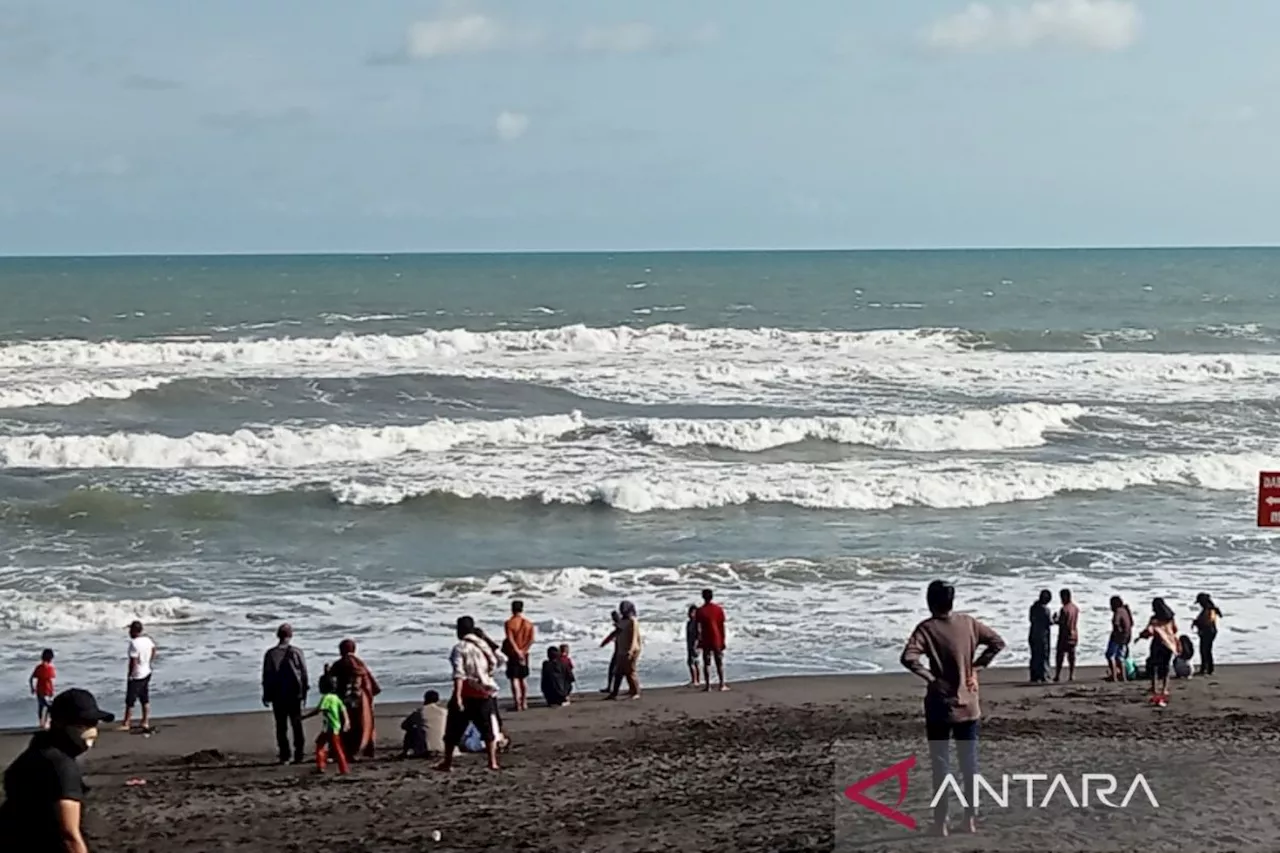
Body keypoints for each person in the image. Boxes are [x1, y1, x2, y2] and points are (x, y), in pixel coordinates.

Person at [901, 580, 1005, 838]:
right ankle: (969, 819)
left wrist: (930, 678)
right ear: (952, 601)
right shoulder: (969, 623)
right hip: (969, 704)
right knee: (969, 764)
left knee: (941, 765)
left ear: (929, 601)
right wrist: (976, 668)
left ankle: (941, 822)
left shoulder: (927, 629)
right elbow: (997, 643)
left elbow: (908, 658)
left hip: (940, 707)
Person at [0, 688, 114, 853]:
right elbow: (68, 835)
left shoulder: (36, 752)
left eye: (94, 723)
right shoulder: (61, 766)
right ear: (60, 723)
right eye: (83, 724)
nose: (91, 730)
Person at [438, 616, 502, 772]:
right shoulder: (484, 646)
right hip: (485, 690)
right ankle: (492, 761)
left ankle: (447, 762)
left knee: (453, 729)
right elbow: (499, 660)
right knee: (487, 729)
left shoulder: (460, 647)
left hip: (467, 690)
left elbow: (459, 674)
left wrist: (458, 697)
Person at [261, 623, 309, 764]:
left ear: (278, 635)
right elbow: (304, 673)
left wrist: (266, 695)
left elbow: (266, 676)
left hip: (277, 695)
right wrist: (304, 692)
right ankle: (299, 754)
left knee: (281, 726)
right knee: (297, 725)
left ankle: (285, 755)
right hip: (294, 694)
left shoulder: (270, 654)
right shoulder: (297, 652)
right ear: (291, 635)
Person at [329, 639, 381, 760]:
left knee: (345, 725)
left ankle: (345, 751)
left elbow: (330, 683)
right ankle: (363, 750)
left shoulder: (339, 664)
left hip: (343, 698)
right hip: (360, 698)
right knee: (361, 725)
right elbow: (372, 685)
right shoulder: (360, 663)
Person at [303, 674, 349, 774]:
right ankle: (342, 768)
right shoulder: (336, 698)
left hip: (329, 728)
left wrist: (304, 717)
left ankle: (324, 766)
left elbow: (318, 710)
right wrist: (346, 722)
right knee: (331, 746)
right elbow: (343, 709)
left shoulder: (326, 698)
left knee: (326, 746)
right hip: (335, 727)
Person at [1138, 597, 1178, 707]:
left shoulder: (1154, 619)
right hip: (1169, 644)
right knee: (1165, 667)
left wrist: (1141, 635)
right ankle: (1165, 689)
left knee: (1154, 666)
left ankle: (1154, 687)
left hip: (1157, 644)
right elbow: (1175, 629)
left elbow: (1149, 632)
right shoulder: (1170, 618)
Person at [122, 620, 157, 732]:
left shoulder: (134, 643)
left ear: (133, 631)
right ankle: (145, 721)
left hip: (137, 674)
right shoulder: (147, 640)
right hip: (147, 671)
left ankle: (127, 722)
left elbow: (133, 661)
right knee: (144, 697)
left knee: (130, 700)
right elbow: (154, 650)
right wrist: (148, 661)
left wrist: (130, 674)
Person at [503, 600, 535, 712]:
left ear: (512, 609)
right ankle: (524, 702)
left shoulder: (509, 623)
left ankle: (517, 703)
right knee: (523, 678)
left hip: (513, 654)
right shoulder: (529, 624)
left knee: (514, 679)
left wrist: (517, 651)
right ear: (522, 609)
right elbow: (531, 640)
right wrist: (523, 651)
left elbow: (510, 639)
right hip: (525, 653)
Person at [606, 601, 642, 700]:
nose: (622, 611)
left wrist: (630, 650)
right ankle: (614, 693)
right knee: (619, 672)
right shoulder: (623, 621)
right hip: (622, 649)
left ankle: (636, 692)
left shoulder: (632, 621)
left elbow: (634, 637)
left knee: (630, 671)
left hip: (632, 650)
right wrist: (606, 641)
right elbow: (617, 632)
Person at [696, 589, 729, 692]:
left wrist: (698, 640)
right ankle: (722, 684)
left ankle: (708, 685)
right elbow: (721, 626)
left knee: (706, 663)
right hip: (717, 638)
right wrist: (723, 640)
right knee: (719, 662)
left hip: (706, 639)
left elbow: (698, 628)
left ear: (703, 597)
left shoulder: (700, 611)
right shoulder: (718, 609)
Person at [399, 690, 446, 759]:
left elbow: (404, 725)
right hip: (445, 747)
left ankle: (406, 751)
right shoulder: (444, 712)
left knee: (412, 731)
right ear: (438, 700)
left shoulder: (420, 712)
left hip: (426, 748)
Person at [1052, 589, 1079, 683]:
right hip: (1074, 634)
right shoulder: (1075, 608)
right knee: (1071, 656)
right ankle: (1071, 675)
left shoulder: (1064, 609)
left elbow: (1062, 623)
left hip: (1064, 635)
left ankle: (1057, 675)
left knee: (1060, 656)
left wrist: (1055, 619)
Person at [1105, 596, 1134, 682]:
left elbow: (1116, 623)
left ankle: (1114, 677)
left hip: (1117, 637)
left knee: (1110, 655)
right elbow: (1132, 623)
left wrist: (1117, 632)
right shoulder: (1126, 611)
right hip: (1125, 637)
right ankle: (1123, 676)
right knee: (1120, 657)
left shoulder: (1118, 611)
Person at [1192, 593, 1221, 676]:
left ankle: (1208, 669)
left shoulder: (1210, 610)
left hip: (1208, 631)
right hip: (1208, 631)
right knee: (1204, 650)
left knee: (1206, 650)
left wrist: (1198, 623)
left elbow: (1209, 621)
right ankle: (1205, 668)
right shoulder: (1208, 609)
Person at [1027, 591, 1052, 683]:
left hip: (1033, 633)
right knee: (1043, 655)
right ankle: (1044, 676)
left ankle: (1034, 676)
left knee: (1034, 655)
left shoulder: (1033, 608)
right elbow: (1049, 622)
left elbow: (1030, 619)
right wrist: (1056, 619)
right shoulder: (1045, 610)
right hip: (1043, 635)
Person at [30, 649, 57, 730]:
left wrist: (32, 688)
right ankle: (46, 723)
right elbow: (51, 680)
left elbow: (31, 678)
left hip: (40, 691)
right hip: (46, 691)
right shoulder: (49, 668)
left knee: (41, 707)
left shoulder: (39, 667)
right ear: (50, 658)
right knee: (49, 707)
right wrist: (52, 691)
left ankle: (42, 723)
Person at [599, 610, 621, 692]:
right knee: (617, 670)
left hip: (621, 651)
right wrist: (604, 643)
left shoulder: (621, 625)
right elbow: (613, 634)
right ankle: (610, 687)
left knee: (614, 669)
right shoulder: (622, 624)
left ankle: (611, 688)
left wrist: (604, 643)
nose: (613, 620)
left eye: (614, 617)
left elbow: (613, 634)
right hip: (620, 650)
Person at [685, 605, 701, 686]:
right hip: (690, 644)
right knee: (693, 662)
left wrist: (696, 644)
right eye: (690, 612)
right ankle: (696, 680)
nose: (690, 614)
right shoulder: (689, 623)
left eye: (693, 612)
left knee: (692, 662)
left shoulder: (696, 623)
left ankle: (695, 680)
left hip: (695, 645)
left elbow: (699, 634)